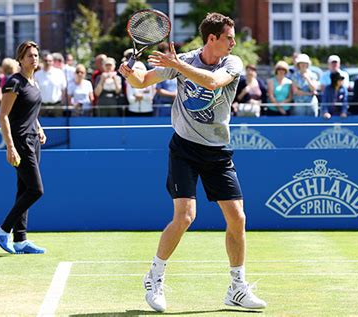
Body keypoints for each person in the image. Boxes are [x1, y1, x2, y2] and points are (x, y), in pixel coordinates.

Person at [119, 12, 266, 312]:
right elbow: (142, 81)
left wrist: (177, 66)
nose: (233, 42)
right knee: (185, 215)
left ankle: (237, 288)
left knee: (237, 218)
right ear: (212, 38)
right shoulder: (183, 59)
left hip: (217, 151)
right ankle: (154, 278)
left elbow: (213, 83)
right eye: (228, 37)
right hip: (184, 149)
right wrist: (130, 72)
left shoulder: (232, 63)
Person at [0, 40, 47, 255]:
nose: (34, 58)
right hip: (20, 141)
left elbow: (29, 111)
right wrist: (10, 146)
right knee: (35, 190)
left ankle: (21, 240)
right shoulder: (14, 82)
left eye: (36, 55)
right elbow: (3, 115)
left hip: (33, 139)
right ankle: (3, 230)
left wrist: (39, 127)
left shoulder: (34, 81)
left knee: (24, 189)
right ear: (20, 60)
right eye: (30, 55)